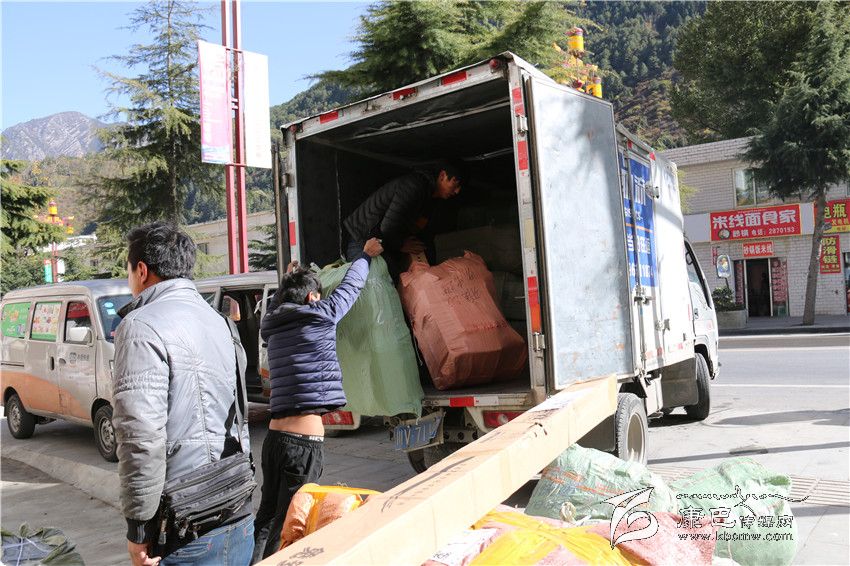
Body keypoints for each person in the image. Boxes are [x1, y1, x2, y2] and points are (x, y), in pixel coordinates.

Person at [112, 222, 253, 566]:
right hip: (236, 505)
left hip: (186, 523)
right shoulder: (220, 321)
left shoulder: (141, 325)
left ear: (142, 270)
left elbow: (140, 437)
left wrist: (139, 530)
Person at [252, 237, 383, 561]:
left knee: (267, 517)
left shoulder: (272, 325)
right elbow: (350, 288)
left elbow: (279, 304)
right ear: (312, 297)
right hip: (302, 445)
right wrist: (365, 256)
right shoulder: (321, 315)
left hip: (274, 440)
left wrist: (287, 282)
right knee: (292, 524)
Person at [343, 162, 462, 276]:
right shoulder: (414, 186)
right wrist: (401, 245)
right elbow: (387, 227)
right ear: (442, 176)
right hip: (364, 239)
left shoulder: (432, 198)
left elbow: (419, 228)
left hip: (384, 241)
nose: (457, 191)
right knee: (368, 283)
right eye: (456, 184)